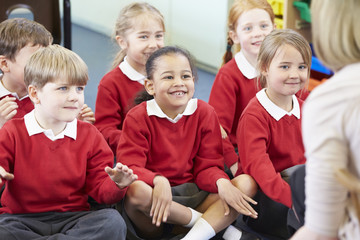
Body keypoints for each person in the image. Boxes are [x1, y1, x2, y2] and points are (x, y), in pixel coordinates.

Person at [116, 46, 258, 240]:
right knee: (135, 190)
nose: (179, 83)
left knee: (246, 183)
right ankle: (209, 226)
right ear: (150, 86)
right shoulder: (137, 117)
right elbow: (131, 167)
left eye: (185, 76)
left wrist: (221, 181)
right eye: (168, 77)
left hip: (194, 196)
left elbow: (207, 167)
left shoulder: (205, 112)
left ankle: (193, 236)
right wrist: (158, 180)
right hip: (155, 205)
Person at [0, 44, 138, 239]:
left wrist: (118, 184)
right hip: (21, 220)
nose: (74, 97)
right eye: (63, 88)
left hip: (74, 218)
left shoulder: (90, 134)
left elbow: (101, 191)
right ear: (34, 93)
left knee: (112, 221)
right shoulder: (12, 131)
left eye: (79, 88)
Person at [290, 0, 360, 239]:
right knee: (299, 179)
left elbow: (321, 231)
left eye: (300, 67)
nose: (294, 75)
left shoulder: (330, 100)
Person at [234, 29, 311, 238]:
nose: (295, 74)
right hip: (270, 198)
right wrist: (299, 203)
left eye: (301, 66)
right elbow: (262, 172)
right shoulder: (254, 116)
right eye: (285, 66)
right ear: (265, 68)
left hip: (301, 188)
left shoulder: (307, 107)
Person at [208, 0, 276, 176]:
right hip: (238, 152)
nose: (258, 34)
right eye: (248, 28)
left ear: (274, 29)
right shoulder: (228, 76)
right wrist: (234, 166)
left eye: (263, 26)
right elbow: (217, 131)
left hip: (272, 144)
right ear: (235, 36)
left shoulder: (281, 67)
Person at [94, 2, 165, 154]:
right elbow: (104, 130)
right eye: (144, 37)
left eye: (158, 36)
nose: (153, 44)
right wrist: (135, 141)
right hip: (133, 154)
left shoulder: (167, 75)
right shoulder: (111, 83)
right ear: (123, 42)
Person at [0, 18, 95, 128]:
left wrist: (74, 123)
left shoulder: (52, 93)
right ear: (5, 64)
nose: (45, 65)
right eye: (35, 59)